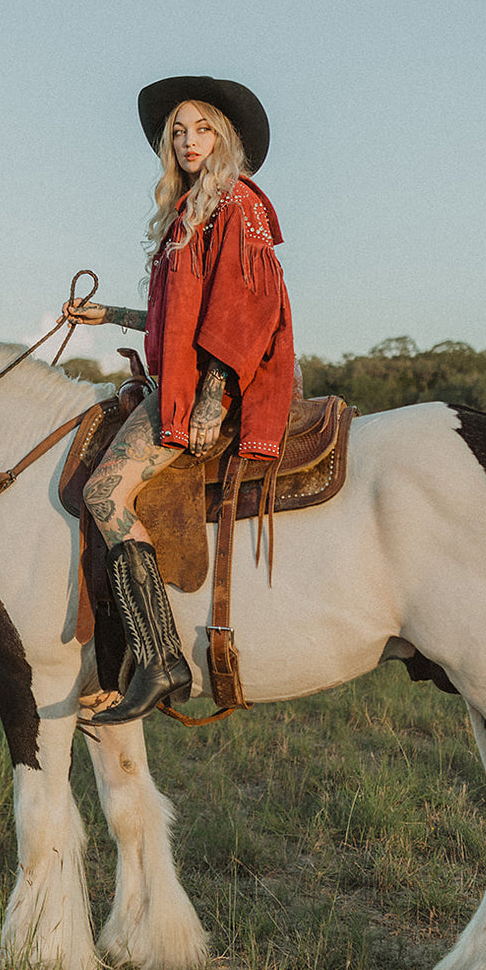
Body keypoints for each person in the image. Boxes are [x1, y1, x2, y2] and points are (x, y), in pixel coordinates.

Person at [64, 75, 295, 724]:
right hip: (183, 377)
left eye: (200, 128)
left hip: (202, 389)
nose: (187, 139)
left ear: (222, 136)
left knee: (105, 494)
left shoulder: (238, 203)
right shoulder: (189, 213)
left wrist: (210, 399)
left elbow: (242, 310)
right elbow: (176, 321)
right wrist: (106, 313)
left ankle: (162, 652)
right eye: (176, 131)